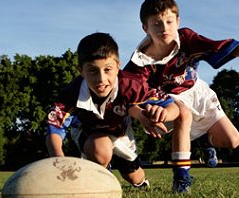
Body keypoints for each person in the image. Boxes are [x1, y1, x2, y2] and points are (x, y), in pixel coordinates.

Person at [124, 0, 239, 193]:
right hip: (169, 99)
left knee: (233, 140)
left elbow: (230, 47)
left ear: (177, 21)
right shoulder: (139, 63)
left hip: (198, 92)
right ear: (145, 27)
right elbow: (124, 95)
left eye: (169, 22)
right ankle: (181, 179)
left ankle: (205, 141)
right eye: (156, 23)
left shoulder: (187, 39)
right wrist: (141, 115)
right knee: (183, 114)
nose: (164, 28)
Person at [45, 32, 181, 188]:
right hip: (89, 134)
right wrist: (60, 161)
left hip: (120, 134)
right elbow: (54, 128)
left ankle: (136, 178)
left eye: (107, 70)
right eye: (92, 71)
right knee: (101, 148)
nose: (101, 79)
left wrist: (164, 113)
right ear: (81, 70)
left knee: (135, 177)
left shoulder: (131, 85)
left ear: (118, 67)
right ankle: (99, 174)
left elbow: (172, 106)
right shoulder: (72, 93)